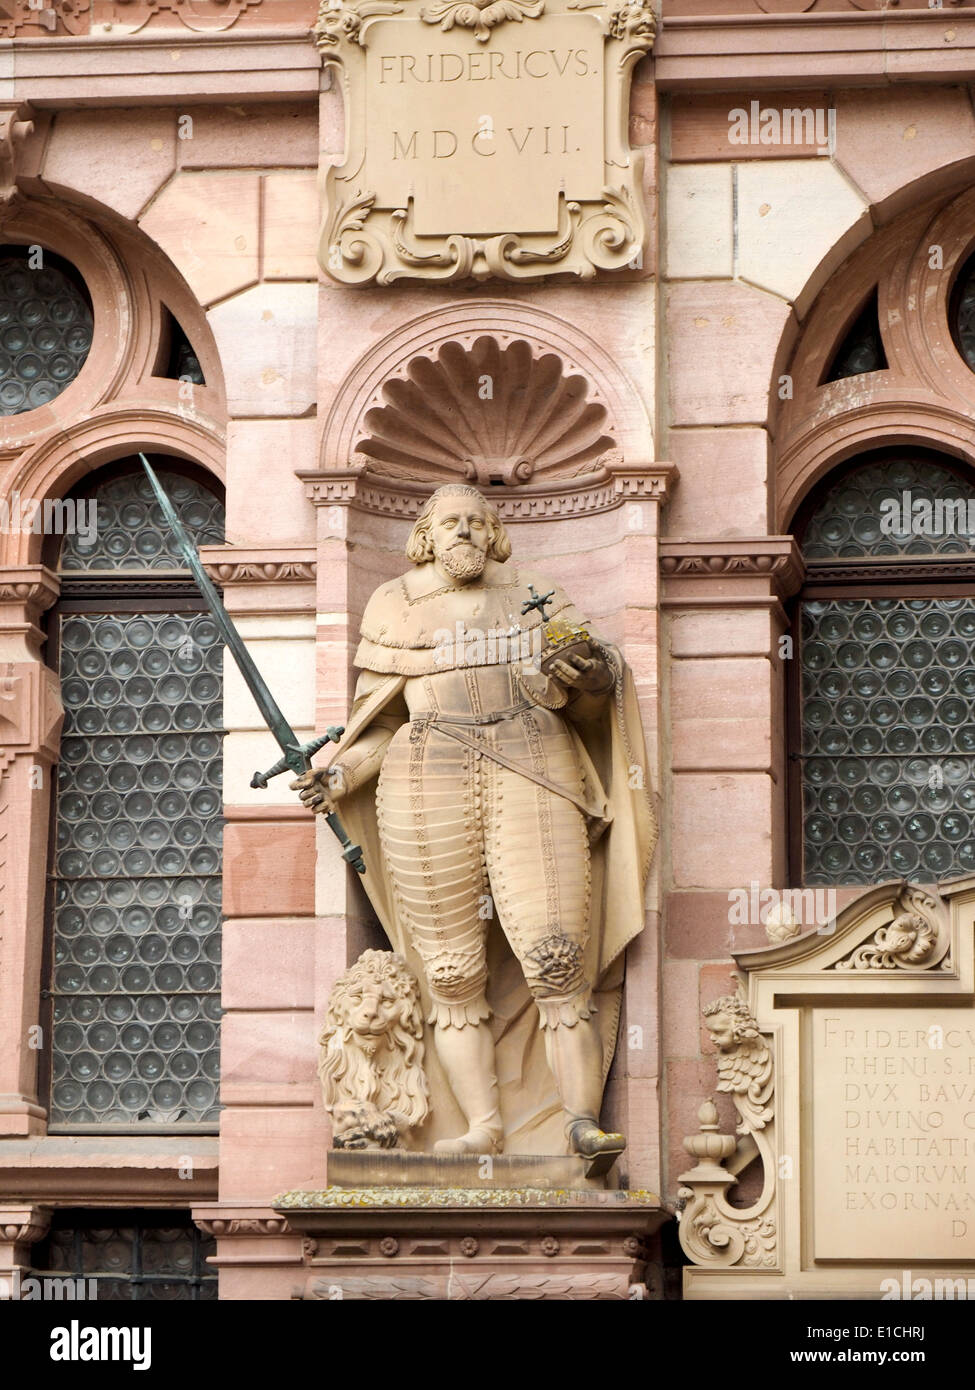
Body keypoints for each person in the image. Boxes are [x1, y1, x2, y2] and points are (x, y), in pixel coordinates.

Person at [293, 483, 656, 1165]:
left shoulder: (536, 592)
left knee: (557, 957)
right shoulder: (392, 604)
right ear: (426, 535)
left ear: (494, 534)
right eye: (449, 523)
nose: (463, 533)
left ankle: (578, 1120)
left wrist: (589, 671)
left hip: (532, 764)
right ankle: (484, 1125)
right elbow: (382, 725)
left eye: (474, 522)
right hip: (424, 774)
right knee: (451, 973)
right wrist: (338, 778)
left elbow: (594, 685)